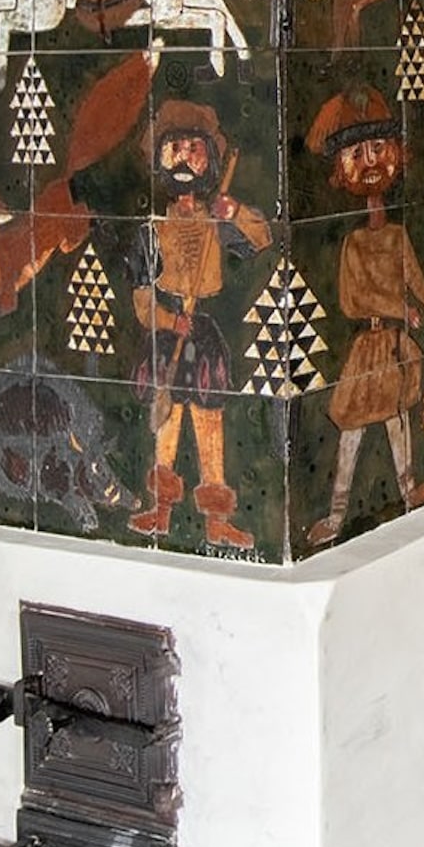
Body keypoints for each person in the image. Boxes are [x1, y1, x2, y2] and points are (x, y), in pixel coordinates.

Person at [306, 87, 424, 543]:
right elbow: (353, 300)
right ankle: (336, 516)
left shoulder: (397, 233)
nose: (370, 161)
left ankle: (408, 491)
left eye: (378, 149)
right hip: (369, 347)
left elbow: (416, 279)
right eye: (358, 154)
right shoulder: (353, 243)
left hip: (396, 343)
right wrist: (398, 309)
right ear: (342, 169)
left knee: (398, 417)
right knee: (352, 427)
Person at [126, 100, 272, 549]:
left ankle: (216, 520)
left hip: (204, 334)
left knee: (210, 425)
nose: (185, 158)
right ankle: (161, 510)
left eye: (194, 149)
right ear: (160, 158)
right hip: (169, 331)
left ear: (209, 158)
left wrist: (235, 212)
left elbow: (261, 238)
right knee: (166, 424)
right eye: (175, 149)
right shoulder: (152, 230)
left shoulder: (215, 220)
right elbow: (142, 300)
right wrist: (171, 320)